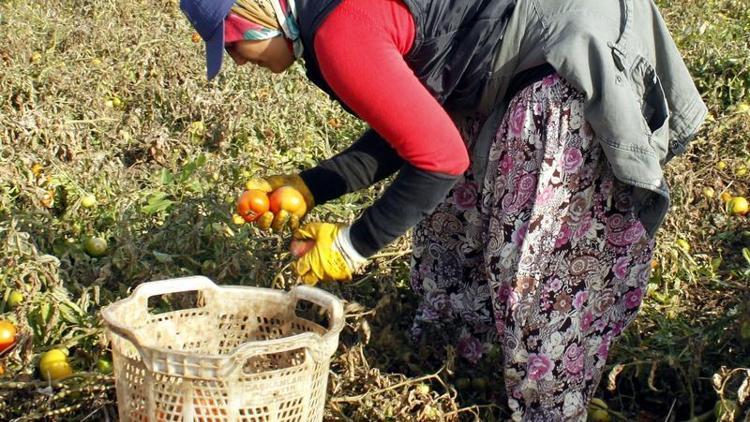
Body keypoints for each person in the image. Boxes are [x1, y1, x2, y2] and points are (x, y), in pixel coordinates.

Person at [180, 0, 707, 419]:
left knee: (541, 268)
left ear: (249, 13)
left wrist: (352, 244)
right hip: (538, 39)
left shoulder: (338, 31)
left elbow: (438, 160)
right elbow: (417, 122)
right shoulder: (335, 14)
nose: (240, 62)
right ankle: (460, 366)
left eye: (231, 47)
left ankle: (550, 407)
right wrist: (309, 186)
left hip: (556, 53)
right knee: (455, 225)